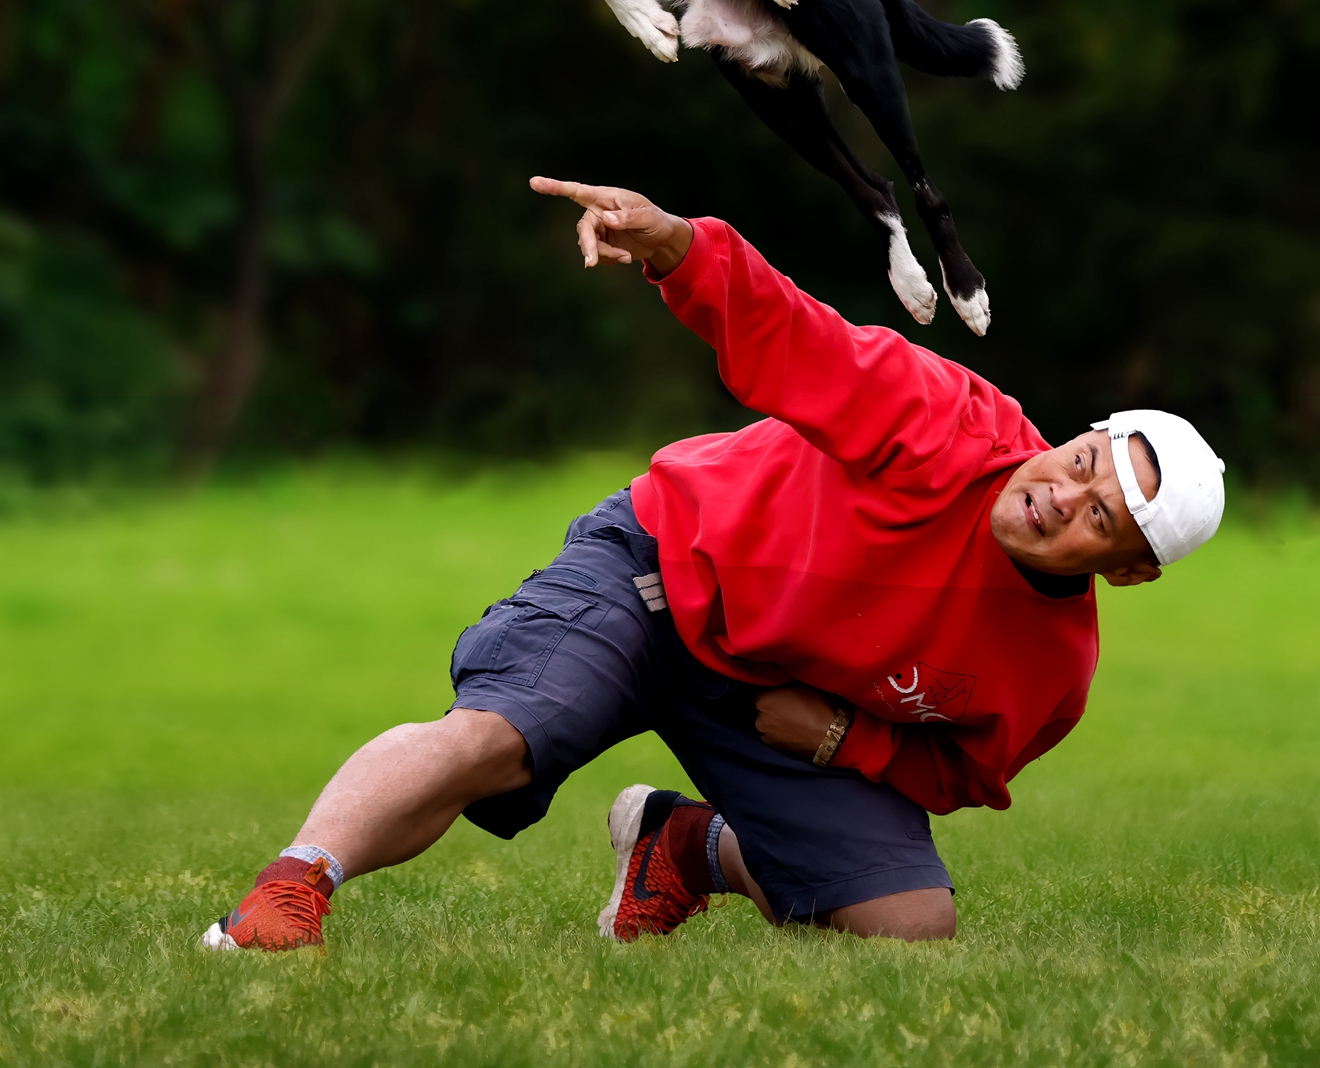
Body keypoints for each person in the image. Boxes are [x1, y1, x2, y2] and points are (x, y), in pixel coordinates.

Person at [203, 178, 1226, 952]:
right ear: (1078, 435)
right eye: (1086, 463)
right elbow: (800, 339)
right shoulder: (947, 424)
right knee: (497, 738)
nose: (1064, 496)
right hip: (660, 570)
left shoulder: (1051, 672)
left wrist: (838, 738)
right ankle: (289, 892)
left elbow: (960, 771)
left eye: (1104, 520)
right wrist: (680, 249)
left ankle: (684, 846)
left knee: (911, 922)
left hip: (774, 693)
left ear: (1126, 574)